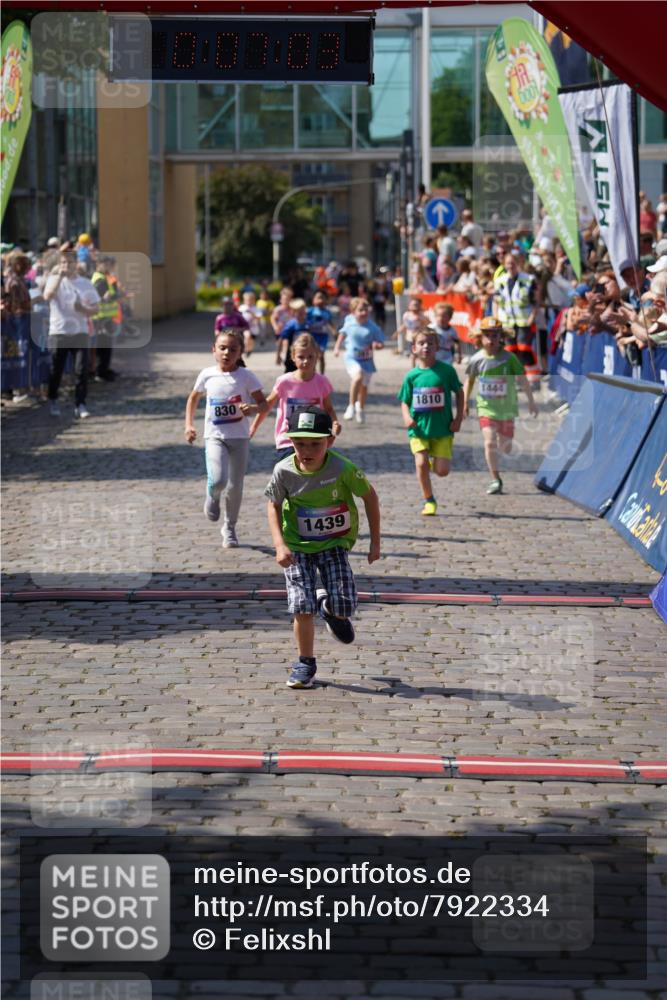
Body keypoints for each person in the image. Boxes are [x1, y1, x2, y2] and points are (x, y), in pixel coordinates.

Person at [264, 406, 381, 689]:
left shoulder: (343, 468)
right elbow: (273, 505)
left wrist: (375, 541)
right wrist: (279, 544)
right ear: (290, 441)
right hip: (297, 547)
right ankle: (305, 662)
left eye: (316, 443)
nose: (307, 449)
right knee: (301, 607)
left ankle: (329, 608)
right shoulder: (284, 471)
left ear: (330, 439)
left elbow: (370, 497)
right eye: (299, 442)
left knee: (345, 605)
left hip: (334, 545)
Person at [184, 330, 268, 548]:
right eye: (222, 348)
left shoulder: (247, 376)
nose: (226, 353)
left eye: (233, 349)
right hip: (215, 436)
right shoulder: (207, 374)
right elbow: (193, 399)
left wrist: (252, 408)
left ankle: (229, 528)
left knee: (235, 486)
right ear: (213, 350)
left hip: (239, 437)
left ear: (241, 352)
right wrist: (189, 425)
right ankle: (212, 495)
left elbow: (265, 404)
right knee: (219, 480)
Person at [463, 317, 538, 495]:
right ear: (480, 338)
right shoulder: (476, 359)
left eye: (495, 335)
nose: (491, 339)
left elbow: (522, 379)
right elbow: (469, 381)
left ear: (501, 337)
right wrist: (464, 402)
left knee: (506, 447)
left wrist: (531, 401)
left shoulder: (509, 358)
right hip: (486, 408)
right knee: (489, 443)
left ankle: (499, 457)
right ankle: (495, 479)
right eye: (487, 335)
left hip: (506, 409)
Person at [398, 329, 464, 516]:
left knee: (442, 471)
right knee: (421, 463)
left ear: (437, 347)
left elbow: (459, 393)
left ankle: (435, 459)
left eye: (430, 343)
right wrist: (406, 417)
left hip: (442, 428)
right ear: (414, 348)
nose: (425, 346)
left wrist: (458, 417)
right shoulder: (411, 376)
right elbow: (404, 400)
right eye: (421, 343)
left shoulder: (447, 371)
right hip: (418, 429)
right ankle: (429, 500)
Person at [249, 333, 341, 461]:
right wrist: (253, 427)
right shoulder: (284, 381)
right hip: (288, 440)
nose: (306, 361)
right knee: (292, 477)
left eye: (310, 357)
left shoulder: (322, 382)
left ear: (317, 356)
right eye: (301, 357)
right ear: (293, 357)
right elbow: (268, 404)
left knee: (311, 477)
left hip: (314, 440)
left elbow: (328, 408)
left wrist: (335, 422)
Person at [43, 248, 100, 418]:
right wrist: (59, 277)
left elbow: (96, 309)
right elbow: (47, 296)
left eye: (69, 262)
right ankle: (53, 399)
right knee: (56, 369)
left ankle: (80, 404)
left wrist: (82, 308)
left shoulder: (85, 283)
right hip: (58, 331)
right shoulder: (54, 279)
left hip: (80, 332)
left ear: (76, 264)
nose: (66, 265)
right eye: (62, 262)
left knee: (81, 370)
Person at [334, 297, 385, 423]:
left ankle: (360, 409)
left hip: (367, 360)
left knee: (364, 387)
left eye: (366, 310)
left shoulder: (373, 327)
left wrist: (377, 346)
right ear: (353, 312)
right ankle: (351, 406)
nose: (364, 313)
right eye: (360, 310)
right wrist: (336, 348)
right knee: (357, 377)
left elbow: (381, 343)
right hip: (352, 358)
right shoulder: (349, 321)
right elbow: (342, 333)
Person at [91, 256, 120, 381]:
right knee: (103, 346)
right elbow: (102, 297)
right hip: (102, 318)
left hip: (106, 317)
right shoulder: (100, 279)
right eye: (108, 265)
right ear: (100, 264)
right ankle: (100, 372)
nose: (110, 268)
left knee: (106, 345)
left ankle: (105, 369)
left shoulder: (104, 277)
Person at [306, 289, 336, 374]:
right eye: (318, 298)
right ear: (313, 300)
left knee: (321, 356)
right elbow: (304, 321)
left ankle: (322, 375)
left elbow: (330, 322)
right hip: (312, 336)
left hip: (323, 337)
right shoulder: (310, 311)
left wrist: (334, 331)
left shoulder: (327, 312)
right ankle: (313, 373)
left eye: (323, 298)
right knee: (313, 356)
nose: (320, 300)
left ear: (326, 300)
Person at [278, 298, 310, 373]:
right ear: (293, 312)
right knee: (290, 373)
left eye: (303, 311)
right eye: (299, 312)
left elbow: (313, 340)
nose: (301, 314)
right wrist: (278, 355)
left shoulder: (308, 324)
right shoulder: (291, 325)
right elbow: (282, 338)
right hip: (292, 355)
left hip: (306, 354)